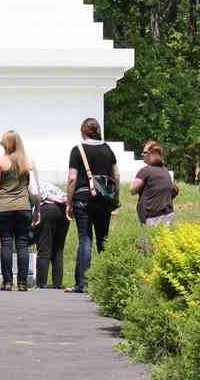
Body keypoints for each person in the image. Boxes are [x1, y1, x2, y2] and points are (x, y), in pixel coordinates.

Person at [65, 116, 118, 294]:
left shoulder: (77, 150)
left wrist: (68, 202)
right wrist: (115, 198)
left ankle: (82, 283)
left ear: (82, 131)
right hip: (103, 200)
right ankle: (108, 282)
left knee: (85, 240)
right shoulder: (107, 149)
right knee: (103, 240)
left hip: (82, 199)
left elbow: (72, 178)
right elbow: (116, 175)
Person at [0, 130, 37, 291]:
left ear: (7, 144)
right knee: (23, 244)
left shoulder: (0, 161)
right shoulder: (27, 162)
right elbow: (33, 189)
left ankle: (8, 282)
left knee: (6, 243)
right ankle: (23, 283)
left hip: (4, 207)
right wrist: (36, 209)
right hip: (23, 207)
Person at [33, 176, 69, 289]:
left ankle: (41, 283)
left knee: (44, 248)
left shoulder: (32, 185)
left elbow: (38, 195)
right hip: (63, 212)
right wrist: (60, 200)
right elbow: (64, 196)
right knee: (58, 249)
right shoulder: (48, 183)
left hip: (46, 211)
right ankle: (57, 283)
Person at [132, 142, 179, 227]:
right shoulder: (165, 171)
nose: (142, 154)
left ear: (151, 154)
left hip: (152, 217)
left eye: (144, 152)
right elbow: (175, 190)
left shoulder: (145, 171)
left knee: (149, 240)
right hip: (168, 215)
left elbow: (132, 190)